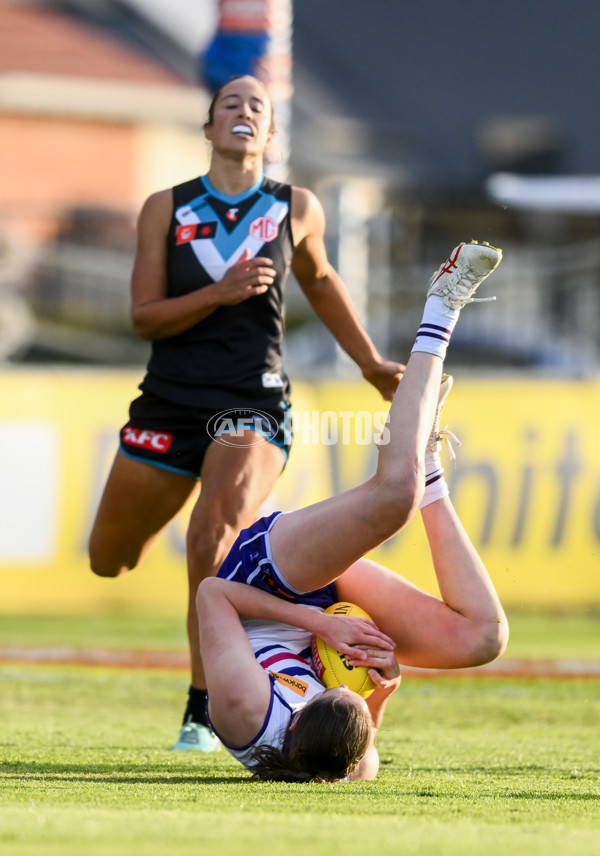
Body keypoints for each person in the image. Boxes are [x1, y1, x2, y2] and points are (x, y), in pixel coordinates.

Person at [87, 74, 404, 752]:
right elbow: (144, 318)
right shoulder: (164, 208)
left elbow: (322, 283)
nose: (242, 111)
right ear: (207, 129)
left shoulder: (296, 208)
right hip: (168, 403)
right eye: (229, 103)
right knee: (107, 559)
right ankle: (156, 513)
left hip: (252, 403)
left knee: (214, 534)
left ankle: (202, 709)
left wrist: (372, 363)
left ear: (270, 134)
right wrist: (220, 291)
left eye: (255, 106)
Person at [195, 240, 509, 781]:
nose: (340, 687)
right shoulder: (351, 763)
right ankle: (429, 466)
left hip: (264, 586)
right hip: (321, 611)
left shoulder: (246, 709)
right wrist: (382, 691)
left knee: (394, 497)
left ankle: (443, 303)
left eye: (330, 692)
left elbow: (212, 593)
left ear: (293, 728)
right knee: (484, 639)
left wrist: (316, 622)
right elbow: (365, 740)